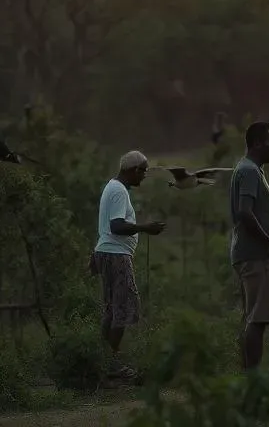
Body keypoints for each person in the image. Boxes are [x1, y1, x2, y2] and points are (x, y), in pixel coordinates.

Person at [92, 151, 166, 379]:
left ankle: (105, 361)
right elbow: (116, 226)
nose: (144, 176)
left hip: (109, 252)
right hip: (116, 255)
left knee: (113, 309)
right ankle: (112, 365)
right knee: (122, 309)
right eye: (143, 171)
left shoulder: (113, 187)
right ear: (133, 170)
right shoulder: (118, 191)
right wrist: (146, 227)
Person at [230, 121, 269, 369]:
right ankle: (253, 379)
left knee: (254, 316)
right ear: (256, 144)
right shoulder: (250, 171)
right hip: (256, 255)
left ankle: (249, 375)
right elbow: (245, 213)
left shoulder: (252, 170)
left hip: (254, 255)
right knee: (258, 318)